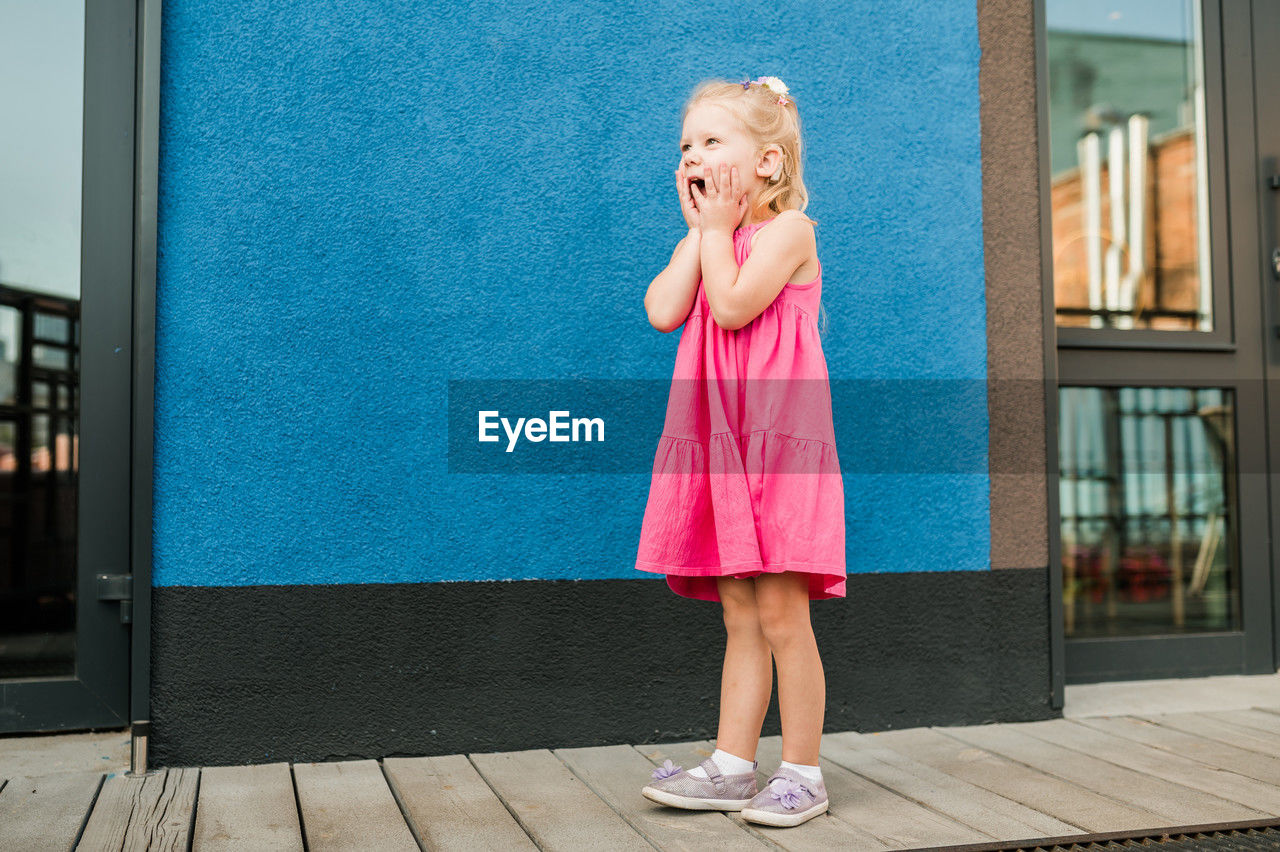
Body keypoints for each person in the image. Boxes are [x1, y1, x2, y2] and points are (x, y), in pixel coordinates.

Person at [635, 75, 846, 829]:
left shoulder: (792, 232)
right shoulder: (707, 237)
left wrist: (717, 233)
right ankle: (731, 763)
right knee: (739, 613)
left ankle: (803, 772)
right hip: (722, 445)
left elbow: (730, 305)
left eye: (711, 141)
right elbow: (665, 309)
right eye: (686, 145)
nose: (693, 155)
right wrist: (702, 232)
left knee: (785, 612)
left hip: (777, 448)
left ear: (766, 161)